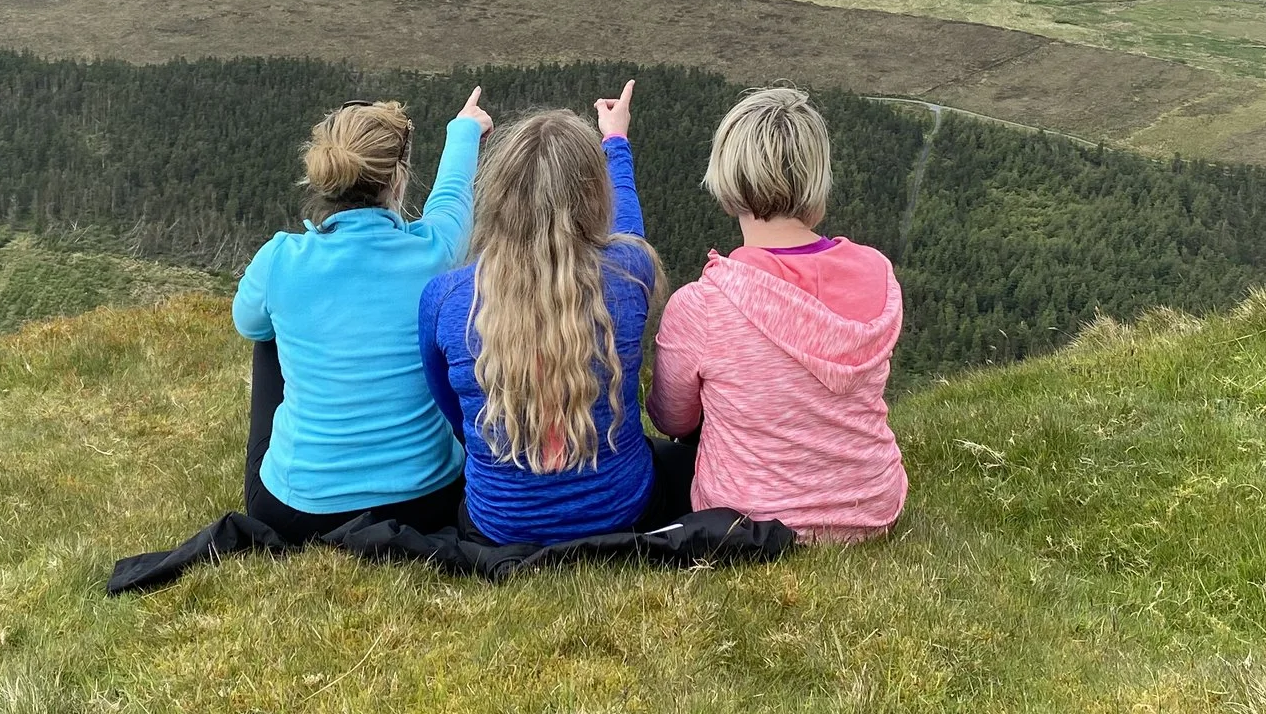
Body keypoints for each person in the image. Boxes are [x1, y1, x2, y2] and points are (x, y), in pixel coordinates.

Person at [418, 81, 689, 545]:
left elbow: (453, 410)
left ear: (498, 197)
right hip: (622, 512)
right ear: (595, 198)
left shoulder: (446, 298)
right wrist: (615, 141)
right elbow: (628, 231)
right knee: (684, 461)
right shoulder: (630, 272)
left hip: (499, 524)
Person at [231, 87, 490, 543]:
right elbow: (452, 200)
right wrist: (464, 130)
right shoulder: (435, 252)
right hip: (429, 502)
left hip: (296, 513)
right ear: (397, 179)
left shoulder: (280, 259)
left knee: (267, 334)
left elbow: (246, 323)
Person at [648, 86, 907, 542]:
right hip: (872, 509)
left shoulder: (703, 305)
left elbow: (673, 420)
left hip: (748, 522)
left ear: (727, 181)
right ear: (818, 177)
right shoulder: (878, 275)